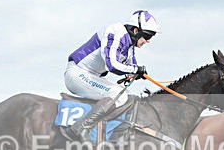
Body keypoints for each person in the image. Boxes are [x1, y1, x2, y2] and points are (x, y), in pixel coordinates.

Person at [64, 10, 160, 141]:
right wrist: (134, 69)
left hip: (92, 77)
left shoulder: (130, 45)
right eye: (147, 37)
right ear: (136, 31)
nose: (148, 41)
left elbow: (131, 65)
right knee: (118, 95)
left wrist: (136, 72)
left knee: (130, 96)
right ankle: (79, 128)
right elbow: (112, 65)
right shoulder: (115, 32)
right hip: (77, 74)